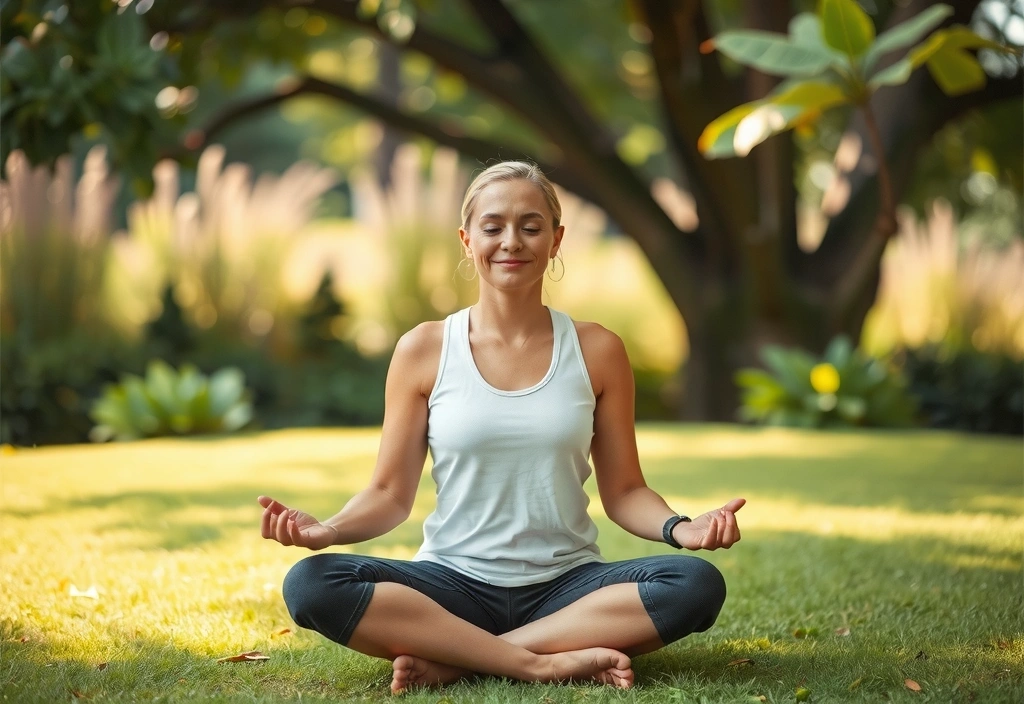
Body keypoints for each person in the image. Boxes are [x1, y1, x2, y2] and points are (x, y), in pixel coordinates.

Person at [258, 161, 745, 694]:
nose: (511, 241)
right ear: (467, 240)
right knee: (313, 584)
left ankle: (460, 657)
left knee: (694, 584)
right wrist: (328, 531)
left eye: (531, 226)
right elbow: (388, 494)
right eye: (493, 227)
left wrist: (682, 528)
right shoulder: (423, 349)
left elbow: (625, 491)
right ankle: (542, 660)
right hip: (451, 584)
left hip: (567, 586)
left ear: (557, 240)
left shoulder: (598, 350)